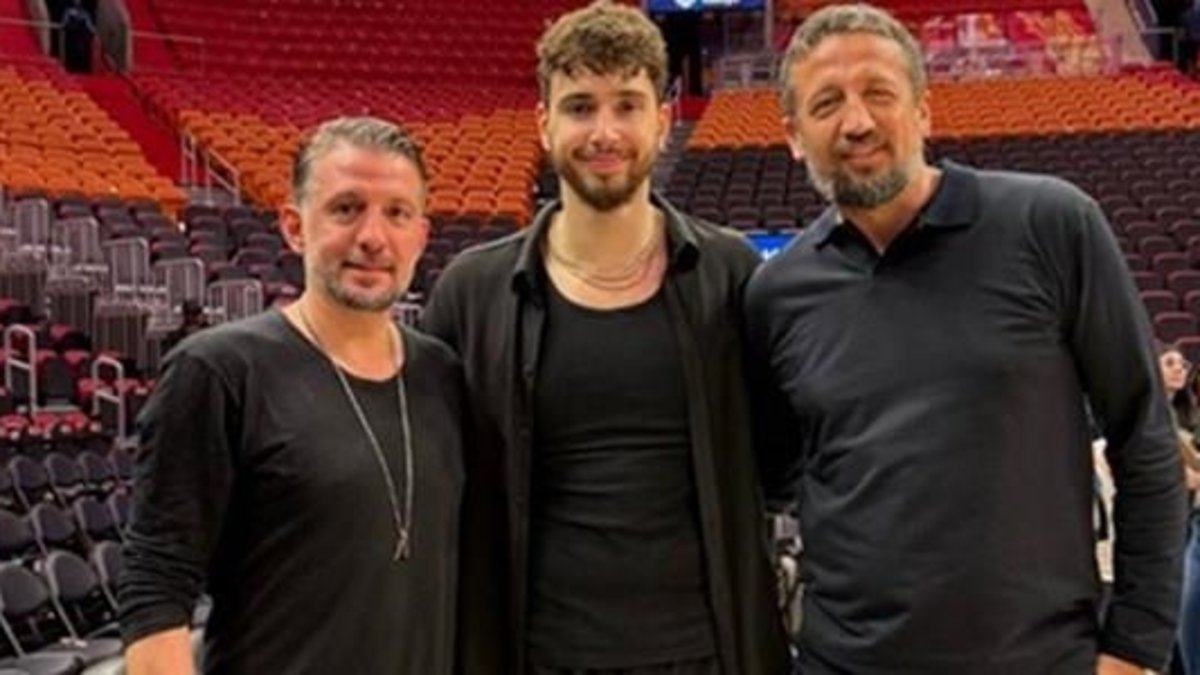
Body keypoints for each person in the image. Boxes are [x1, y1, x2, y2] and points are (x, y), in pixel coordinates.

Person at [745, 4, 1187, 674]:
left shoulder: (1050, 223)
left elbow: (1144, 437)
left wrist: (1134, 646)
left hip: (1039, 659)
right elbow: (779, 477)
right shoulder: (777, 293)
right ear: (794, 136)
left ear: (923, 109)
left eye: (878, 93)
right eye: (826, 103)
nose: (856, 122)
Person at [421, 2, 789, 674]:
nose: (604, 131)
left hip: (707, 653)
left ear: (662, 117)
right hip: (538, 653)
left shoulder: (732, 274)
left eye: (627, 105)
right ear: (544, 122)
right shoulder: (471, 293)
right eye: (580, 107)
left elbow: (780, 457)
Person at [119, 116, 465, 674]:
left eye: (397, 213)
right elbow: (157, 585)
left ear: (421, 236)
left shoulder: (443, 375)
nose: (373, 237)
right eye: (346, 209)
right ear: (295, 226)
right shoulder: (218, 371)